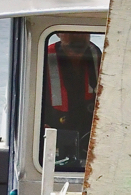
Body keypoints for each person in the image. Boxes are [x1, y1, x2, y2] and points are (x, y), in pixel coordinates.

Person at [40, 30, 102, 172]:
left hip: (90, 145)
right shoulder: (42, 59)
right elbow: (29, 105)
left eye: (83, 32)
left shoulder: (97, 57)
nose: (78, 36)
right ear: (58, 33)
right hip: (52, 145)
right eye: (70, 31)